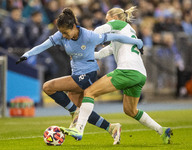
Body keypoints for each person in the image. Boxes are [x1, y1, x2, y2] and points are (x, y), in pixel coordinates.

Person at [16, 8, 143, 145]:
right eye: (62, 33)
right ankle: (111, 128)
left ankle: (74, 112)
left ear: (73, 27)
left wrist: (137, 42)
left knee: (48, 87)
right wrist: (27, 54)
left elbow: (115, 37)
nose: (63, 35)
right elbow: (43, 45)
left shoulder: (89, 35)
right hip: (76, 73)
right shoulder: (60, 35)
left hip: (88, 74)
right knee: (82, 110)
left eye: (65, 32)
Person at [61, 6, 173, 144]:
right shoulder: (123, 36)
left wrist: (93, 39)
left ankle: (79, 129)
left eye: (108, 19)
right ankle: (162, 130)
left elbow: (99, 30)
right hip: (139, 74)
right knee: (130, 110)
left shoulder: (121, 24)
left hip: (127, 70)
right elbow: (101, 54)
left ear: (114, 18)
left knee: (89, 92)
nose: (107, 22)